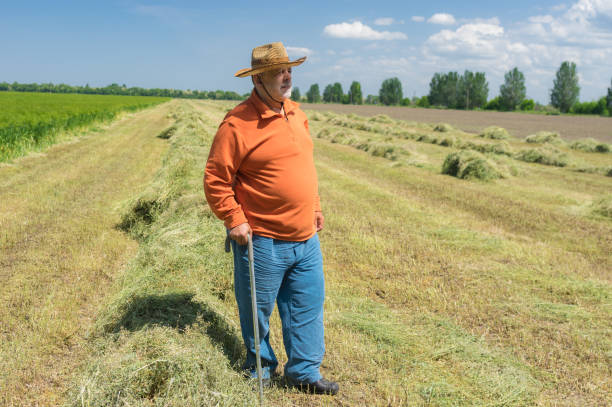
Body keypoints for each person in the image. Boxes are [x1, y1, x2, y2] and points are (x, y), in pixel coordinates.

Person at [203, 42, 338, 395]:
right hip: (262, 239)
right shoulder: (237, 124)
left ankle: (304, 372)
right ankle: (260, 370)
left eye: (289, 69)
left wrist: (315, 205)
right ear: (258, 79)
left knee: (307, 308)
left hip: (306, 238)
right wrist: (234, 218)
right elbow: (216, 179)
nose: (287, 76)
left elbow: (303, 167)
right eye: (279, 71)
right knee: (256, 313)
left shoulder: (295, 113)